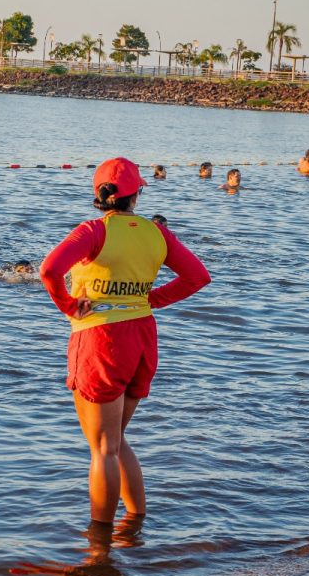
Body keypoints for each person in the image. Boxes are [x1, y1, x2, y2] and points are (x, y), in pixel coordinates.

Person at [40, 157, 211, 523]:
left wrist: (68, 305)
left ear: (98, 194)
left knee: (103, 448)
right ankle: (134, 525)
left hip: (101, 338)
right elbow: (197, 277)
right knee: (115, 441)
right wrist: (153, 299)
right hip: (143, 336)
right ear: (135, 196)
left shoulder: (92, 231)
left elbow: (49, 269)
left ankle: (99, 548)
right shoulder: (157, 233)